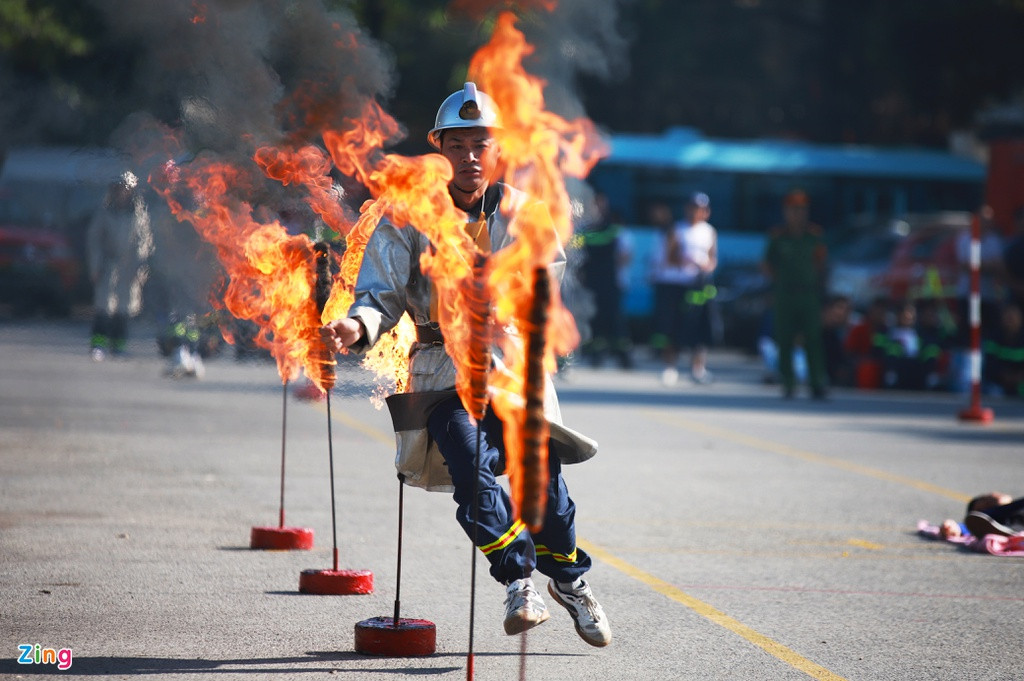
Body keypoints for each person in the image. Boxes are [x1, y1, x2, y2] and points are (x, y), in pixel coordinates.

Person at [320, 83, 611, 647]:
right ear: (440, 149)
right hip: (440, 373)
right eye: (458, 144)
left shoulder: (529, 215)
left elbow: (544, 292)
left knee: (542, 487)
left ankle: (569, 582)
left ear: (498, 150)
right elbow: (377, 294)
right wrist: (354, 327)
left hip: (510, 370)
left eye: (482, 143)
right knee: (468, 464)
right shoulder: (407, 216)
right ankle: (519, 580)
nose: (471, 156)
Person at [762, 189, 828, 398]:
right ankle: (788, 383)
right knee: (784, 339)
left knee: (813, 339)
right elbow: (766, 265)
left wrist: (821, 292)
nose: (797, 214)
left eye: (801, 210)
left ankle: (817, 382)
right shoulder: (778, 237)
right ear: (785, 212)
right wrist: (778, 283)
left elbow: (822, 265)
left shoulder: (814, 236)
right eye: (792, 210)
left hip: (809, 295)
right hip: (785, 295)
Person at [649, 192, 718, 385]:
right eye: (694, 207)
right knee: (673, 327)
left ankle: (698, 368)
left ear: (706, 211)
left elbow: (713, 259)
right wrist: (687, 261)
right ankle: (670, 367)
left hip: (698, 286)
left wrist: (705, 265)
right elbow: (669, 257)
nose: (697, 212)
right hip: (676, 285)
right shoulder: (677, 229)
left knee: (699, 326)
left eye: (701, 208)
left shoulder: (710, 232)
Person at [86, 171, 153, 361]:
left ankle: (119, 346)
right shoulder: (104, 213)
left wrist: (140, 268)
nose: (123, 193)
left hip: (129, 266)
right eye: (119, 189)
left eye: (126, 189)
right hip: (108, 265)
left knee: (124, 309)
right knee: (104, 307)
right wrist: (95, 267)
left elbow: (144, 242)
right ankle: (98, 345)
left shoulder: (139, 215)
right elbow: (95, 241)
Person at [579, 192, 633, 369]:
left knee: (615, 320)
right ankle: (596, 355)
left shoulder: (613, 228)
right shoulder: (585, 228)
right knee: (595, 320)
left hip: (610, 282)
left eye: (600, 204)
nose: (597, 207)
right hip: (591, 282)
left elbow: (624, 255)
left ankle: (623, 356)